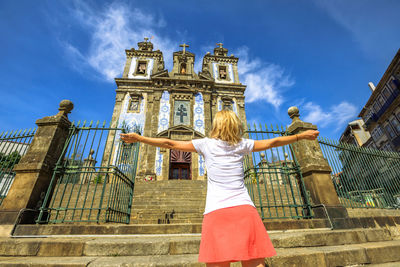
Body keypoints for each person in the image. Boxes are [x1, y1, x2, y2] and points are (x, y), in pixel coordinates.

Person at [120, 110, 319, 267]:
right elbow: (274, 142)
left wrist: (140, 138)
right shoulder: (242, 144)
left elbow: (168, 142)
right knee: (254, 261)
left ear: (216, 125)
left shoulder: (206, 144)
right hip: (244, 209)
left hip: (217, 212)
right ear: (235, 126)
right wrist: (301, 137)